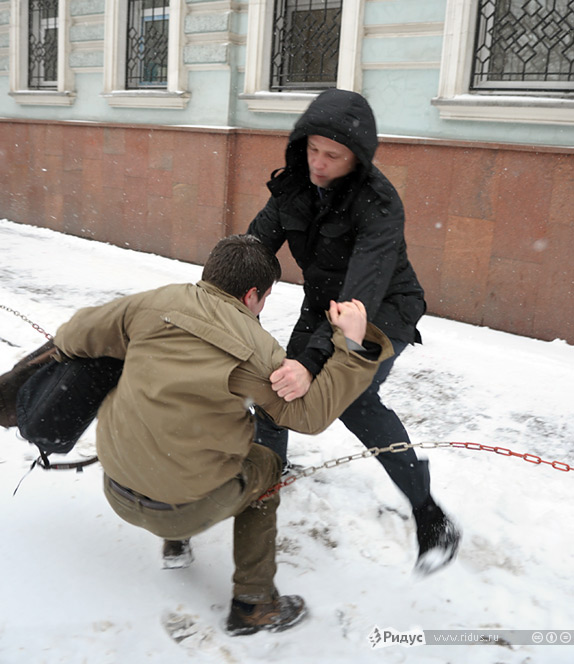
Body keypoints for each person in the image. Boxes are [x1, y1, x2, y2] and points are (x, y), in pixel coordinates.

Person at [2, 234, 392, 635]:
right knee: (267, 467)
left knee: (174, 435)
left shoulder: (151, 303)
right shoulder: (258, 349)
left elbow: (72, 335)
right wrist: (352, 346)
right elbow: (310, 416)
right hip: (181, 506)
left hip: (116, 487)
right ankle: (254, 604)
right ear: (253, 295)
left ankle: (177, 545)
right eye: (265, 298)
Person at [247, 88, 461, 575]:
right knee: (275, 382)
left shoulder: (379, 205)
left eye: (333, 155)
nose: (319, 164)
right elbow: (250, 249)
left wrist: (311, 360)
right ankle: (266, 480)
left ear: (356, 158)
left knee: (355, 400)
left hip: (383, 310)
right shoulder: (294, 188)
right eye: (312, 149)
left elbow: (360, 299)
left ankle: (429, 512)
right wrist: (221, 302)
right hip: (323, 304)